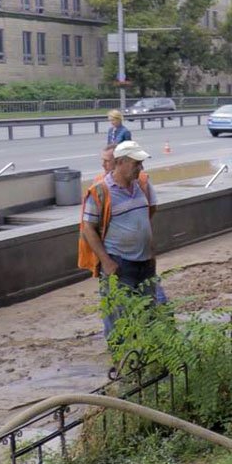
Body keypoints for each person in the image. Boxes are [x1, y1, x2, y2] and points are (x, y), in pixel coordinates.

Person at [77, 140, 159, 338]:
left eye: (141, 163)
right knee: (118, 319)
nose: (140, 168)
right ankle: (121, 355)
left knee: (149, 315)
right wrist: (106, 262)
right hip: (119, 265)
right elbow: (88, 228)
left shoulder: (141, 185)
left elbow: (149, 214)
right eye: (136, 163)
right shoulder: (100, 191)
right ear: (120, 162)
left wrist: (150, 250)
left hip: (145, 264)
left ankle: (145, 354)